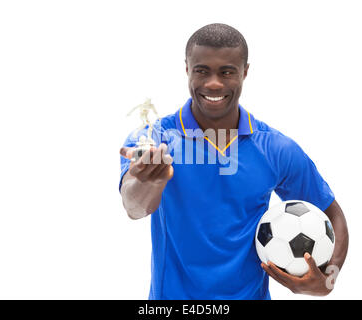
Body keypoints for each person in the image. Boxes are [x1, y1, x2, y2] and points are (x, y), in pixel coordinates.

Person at [119, 23, 349, 299]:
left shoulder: (275, 148)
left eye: (226, 72)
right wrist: (150, 183)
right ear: (187, 70)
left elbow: (332, 213)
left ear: (245, 72)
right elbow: (134, 207)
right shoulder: (154, 140)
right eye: (201, 71)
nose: (213, 83)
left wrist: (328, 278)